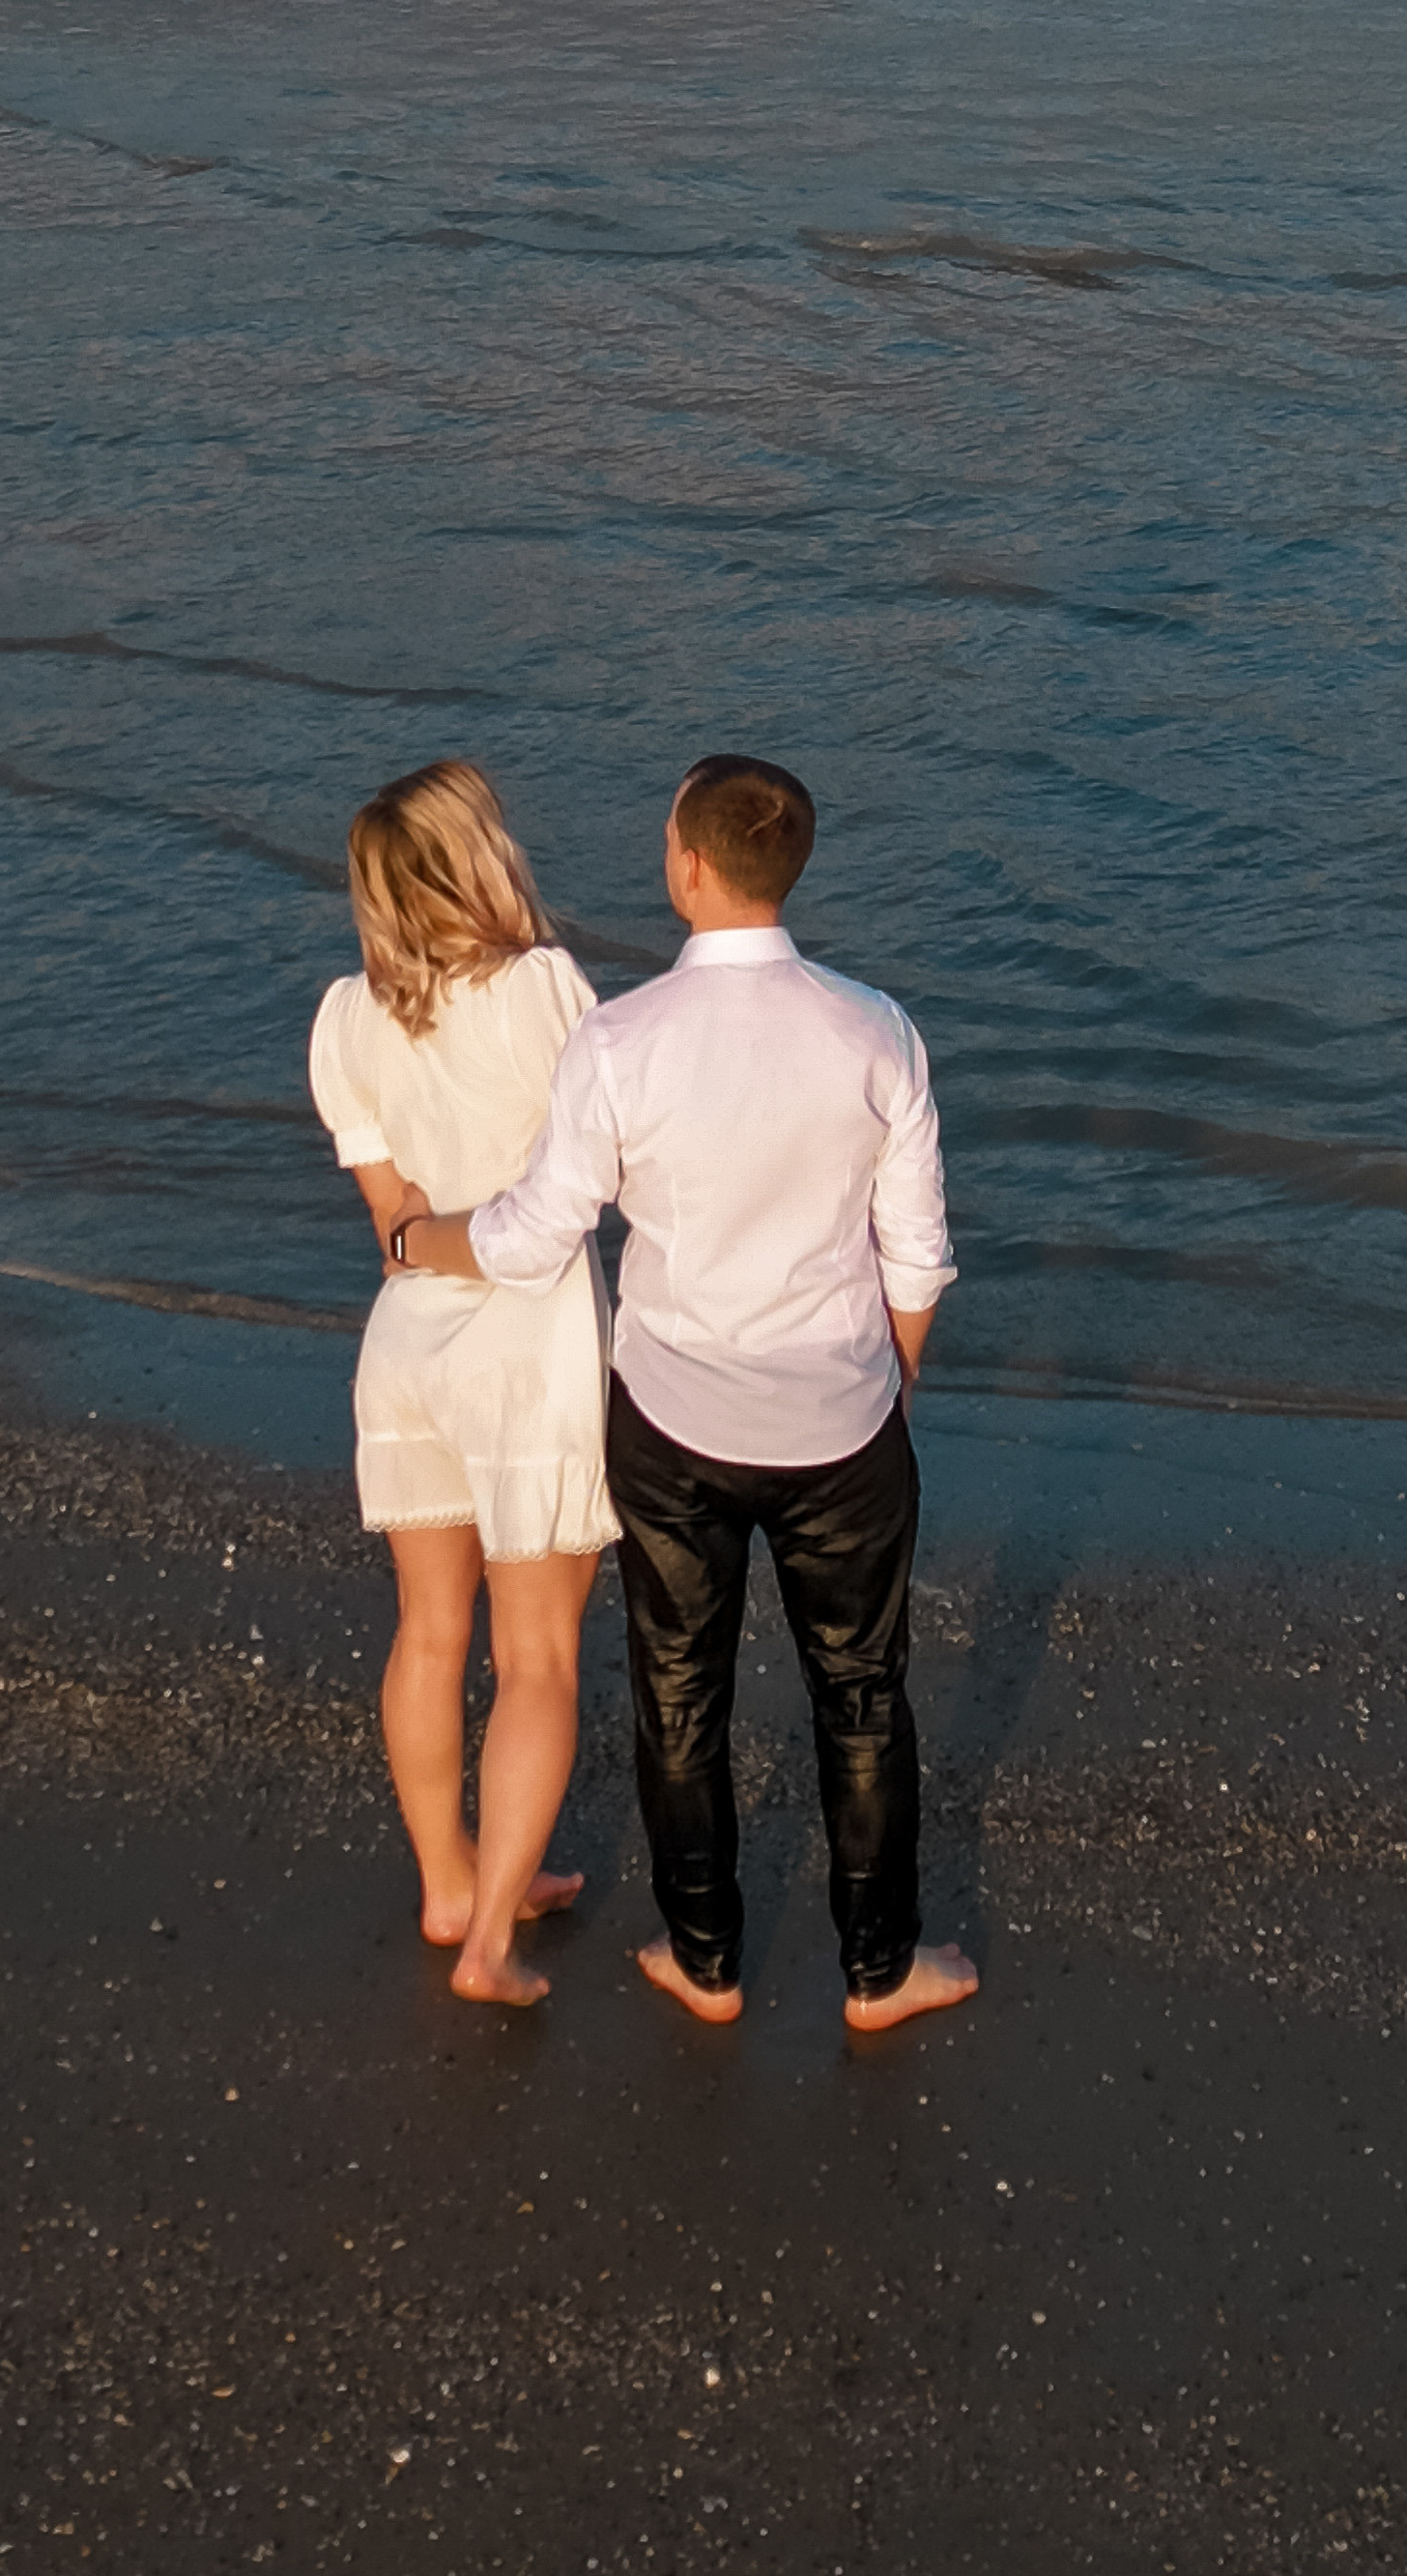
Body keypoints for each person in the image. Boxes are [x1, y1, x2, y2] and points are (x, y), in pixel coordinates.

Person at [385, 755, 976, 2035]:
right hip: (842, 1421)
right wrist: (892, 1384)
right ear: (786, 870)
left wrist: (418, 1242)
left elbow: (539, 1236)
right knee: (862, 1695)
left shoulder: (621, 1039)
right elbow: (919, 1255)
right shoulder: (878, 1029)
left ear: (686, 864)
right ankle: (882, 1972)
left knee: (678, 1692)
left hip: (670, 1425)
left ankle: (705, 1957)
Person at [307, 760, 617, 2009]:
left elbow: (392, 1221)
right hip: (526, 1350)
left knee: (430, 1632)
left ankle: (452, 1880)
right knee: (538, 1653)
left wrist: (436, 1233)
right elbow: (607, 1159)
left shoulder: (347, 1017)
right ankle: (490, 1940)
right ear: (480, 858)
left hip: (405, 1349)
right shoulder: (544, 989)